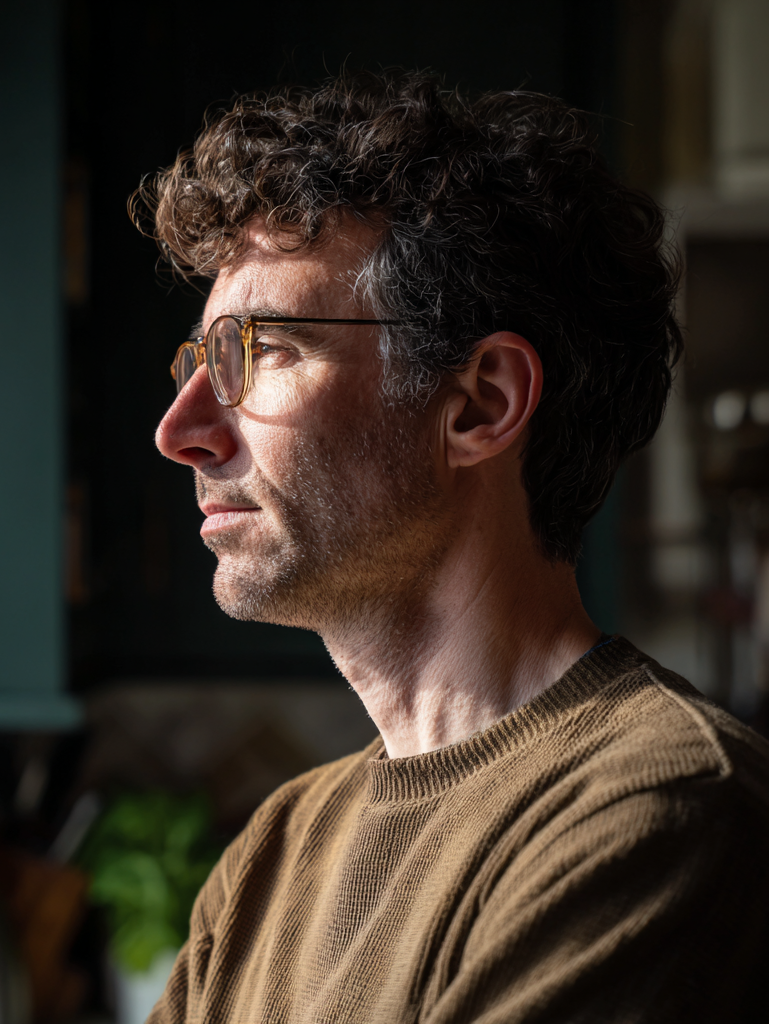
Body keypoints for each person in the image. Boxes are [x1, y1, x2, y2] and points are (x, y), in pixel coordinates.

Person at [134, 70, 769, 1023]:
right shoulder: (270, 857)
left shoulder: (658, 810)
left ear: (480, 404)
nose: (180, 431)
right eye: (199, 361)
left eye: (261, 352)